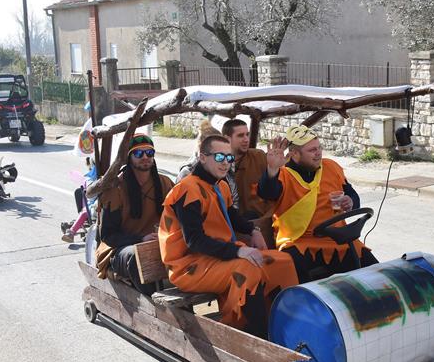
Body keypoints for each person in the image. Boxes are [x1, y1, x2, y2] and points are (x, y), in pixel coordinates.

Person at [159, 135, 297, 335]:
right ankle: (252, 334)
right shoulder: (187, 190)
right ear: (203, 157)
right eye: (219, 157)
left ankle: (285, 325)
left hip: (216, 256)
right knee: (248, 268)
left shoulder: (220, 185)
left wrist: (253, 231)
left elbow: (233, 217)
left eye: (229, 158)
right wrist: (237, 251)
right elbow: (194, 241)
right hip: (189, 266)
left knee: (283, 261)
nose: (225, 163)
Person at [258, 124, 379, 283]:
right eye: (312, 150)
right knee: (295, 273)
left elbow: (351, 194)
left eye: (319, 147)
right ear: (294, 154)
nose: (318, 153)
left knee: (375, 272)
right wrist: (272, 169)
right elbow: (267, 192)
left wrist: (351, 202)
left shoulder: (331, 167)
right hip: (299, 242)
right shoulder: (283, 175)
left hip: (338, 239)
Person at [94, 135, 174, 294]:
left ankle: (183, 311)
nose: (145, 157)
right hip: (120, 249)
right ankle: (154, 307)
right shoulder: (115, 189)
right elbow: (108, 236)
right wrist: (140, 239)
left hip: (159, 243)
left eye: (149, 153)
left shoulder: (165, 183)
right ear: (129, 157)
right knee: (137, 257)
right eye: (138, 153)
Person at [221, 118, 273, 222]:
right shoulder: (217, 163)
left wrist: (274, 168)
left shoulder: (258, 157)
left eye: (247, 134)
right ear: (227, 139)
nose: (246, 139)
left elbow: (275, 190)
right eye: (240, 135)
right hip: (227, 225)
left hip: (260, 222)